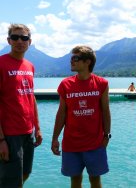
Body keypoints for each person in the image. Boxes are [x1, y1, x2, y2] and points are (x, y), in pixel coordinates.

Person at [51, 45, 111, 188]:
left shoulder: (101, 83)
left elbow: (105, 111)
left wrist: (107, 135)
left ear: (87, 62)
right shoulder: (65, 84)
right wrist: (55, 138)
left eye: (75, 58)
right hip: (71, 144)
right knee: (75, 180)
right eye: (71, 58)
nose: (71, 61)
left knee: (95, 180)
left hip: (95, 143)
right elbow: (61, 113)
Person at [0, 24, 43, 187]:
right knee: (10, 181)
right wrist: (1, 140)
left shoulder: (29, 66)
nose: (20, 41)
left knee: (25, 174)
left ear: (29, 41)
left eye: (24, 38)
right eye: (15, 37)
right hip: (9, 134)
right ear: (8, 40)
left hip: (28, 132)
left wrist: (37, 128)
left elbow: (31, 97)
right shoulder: (1, 63)